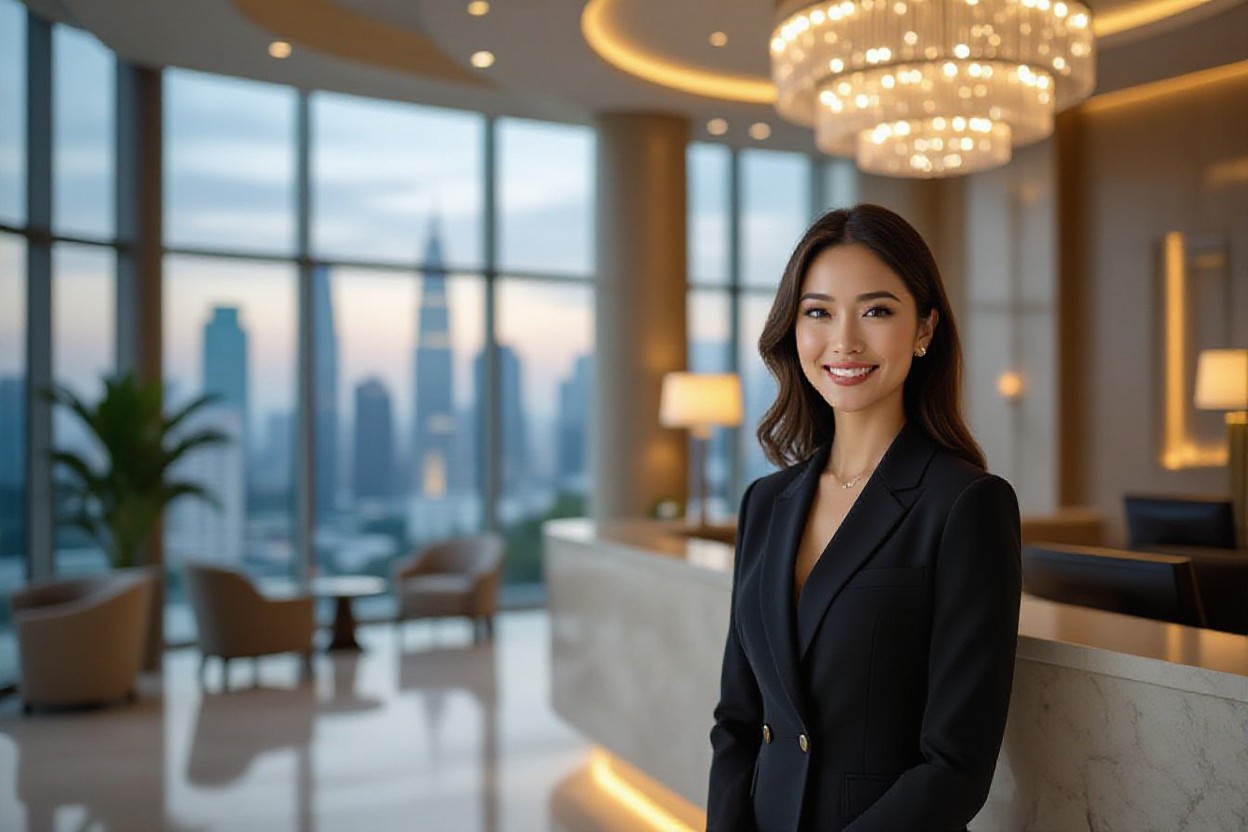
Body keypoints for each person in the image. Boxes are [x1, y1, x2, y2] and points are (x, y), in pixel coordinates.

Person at [707, 204, 1021, 831]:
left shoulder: (966, 505)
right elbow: (738, 723)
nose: (844, 341)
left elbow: (955, 766)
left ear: (925, 328)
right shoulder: (766, 503)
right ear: (793, 330)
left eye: (876, 311)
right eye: (818, 312)